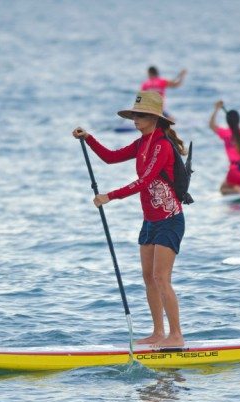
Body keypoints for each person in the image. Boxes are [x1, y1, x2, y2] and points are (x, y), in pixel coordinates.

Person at [72, 91, 187, 348]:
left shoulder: (161, 145)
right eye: (134, 114)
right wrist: (89, 138)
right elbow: (110, 158)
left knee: (161, 278)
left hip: (170, 219)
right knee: (148, 277)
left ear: (154, 118)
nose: (135, 119)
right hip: (150, 220)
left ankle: (176, 335)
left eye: (140, 115)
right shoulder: (141, 143)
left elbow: (144, 180)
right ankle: (159, 332)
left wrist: (109, 196)